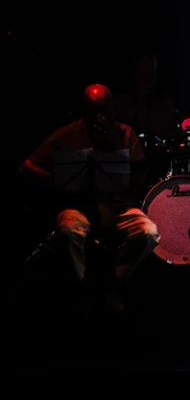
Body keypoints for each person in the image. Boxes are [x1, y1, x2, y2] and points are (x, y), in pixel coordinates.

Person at [18, 84, 159, 318]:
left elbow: (141, 180)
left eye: (103, 109)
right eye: (93, 111)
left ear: (112, 108)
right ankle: (81, 287)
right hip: (79, 208)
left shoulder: (125, 134)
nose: (99, 116)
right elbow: (26, 168)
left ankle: (113, 282)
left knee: (149, 233)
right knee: (66, 229)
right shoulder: (67, 134)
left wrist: (114, 150)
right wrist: (58, 180)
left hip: (119, 209)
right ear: (84, 110)